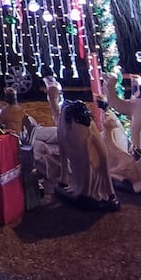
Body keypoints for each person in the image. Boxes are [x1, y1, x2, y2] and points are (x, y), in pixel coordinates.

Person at [44, 75, 119, 209]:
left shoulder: (66, 123)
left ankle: (85, 191)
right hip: (93, 151)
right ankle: (108, 193)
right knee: (94, 159)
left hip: (87, 154)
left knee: (86, 160)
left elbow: (64, 155)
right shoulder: (82, 122)